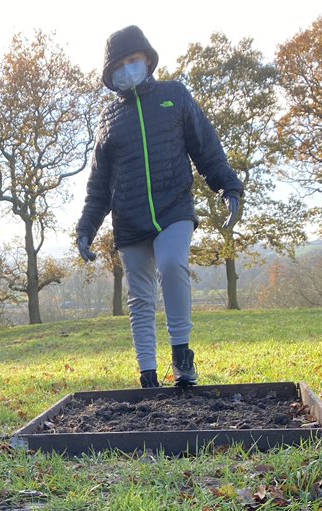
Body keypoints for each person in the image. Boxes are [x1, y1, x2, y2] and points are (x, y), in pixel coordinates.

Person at [76, 25, 243, 388]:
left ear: (147, 59)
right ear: (110, 73)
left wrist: (228, 185)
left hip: (174, 208)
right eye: (118, 65)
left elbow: (206, 147)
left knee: (171, 265)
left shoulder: (174, 96)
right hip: (129, 218)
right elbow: (99, 184)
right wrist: (87, 227)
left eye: (133, 60)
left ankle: (183, 360)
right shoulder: (108, 119)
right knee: (140, 296)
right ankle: (148, 374)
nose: (127, 69)